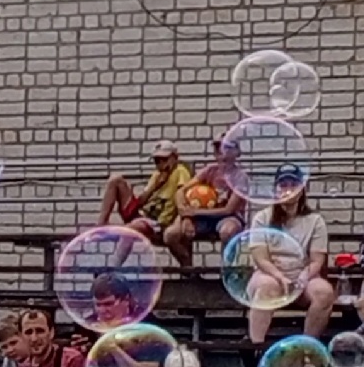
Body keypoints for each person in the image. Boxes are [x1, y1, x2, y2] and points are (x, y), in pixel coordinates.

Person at [247, 183, 338, 341]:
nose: (287, 191)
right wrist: (280, 277)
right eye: (282, 185)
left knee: (325, 292)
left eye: (293, 186)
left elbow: (317, 260)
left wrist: (304, 275)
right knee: (267, 287)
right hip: (269, 274)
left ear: (302, 190)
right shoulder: (262, 218)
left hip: (303, 277)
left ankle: (307, 346)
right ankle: (256, 346)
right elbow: (261, 258)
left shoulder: (315, 220)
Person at [160, 134, 246, 269]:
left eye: (226, 148)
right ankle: (188, 269)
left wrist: (194, 212)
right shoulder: (210, 170)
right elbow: (180, 192)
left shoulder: (240, 177)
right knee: (171, 235)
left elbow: (229, 209)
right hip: (201, 216)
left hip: (229, 217)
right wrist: (186, 215)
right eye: (218, 149)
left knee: (228, 231)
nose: (222, 153)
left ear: (236, 152)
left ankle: (226, 271)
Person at [97, 142, 192, 239]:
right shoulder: (157, 175)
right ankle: (101, 224)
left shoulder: (180, 171)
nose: (161, 164)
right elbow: (141, 201)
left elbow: (182, 194)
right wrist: (154, 187)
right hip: (141, 213)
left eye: (164, 159)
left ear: (175, 157)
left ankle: (114, 241)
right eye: (157, 161)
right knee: (115, 179)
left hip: (157, 221)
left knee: (132, 228)